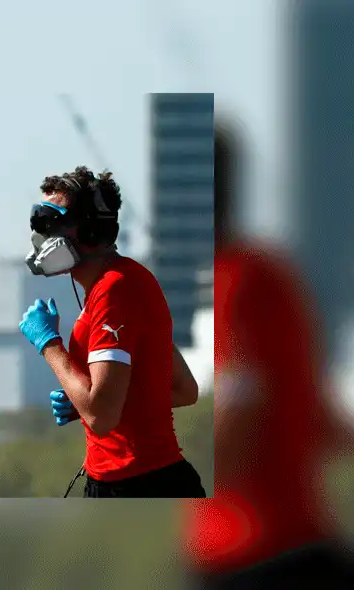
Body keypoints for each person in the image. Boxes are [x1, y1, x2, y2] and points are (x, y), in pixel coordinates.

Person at [182, 121, 354, 588]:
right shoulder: (274, 277)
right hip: (300, 546)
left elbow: (240, 403)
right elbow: (323, 422)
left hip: (249, 556)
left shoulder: (229, 283)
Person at [17, 165, 206, 498]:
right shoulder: (126, 281)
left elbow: (101, 416)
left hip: (139, 484)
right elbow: (183, 389)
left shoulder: (114, 291)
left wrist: (48, 344)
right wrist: (89, 401)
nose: (42, 235)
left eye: (50, 222)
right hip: (129, 480)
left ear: (89, 231)